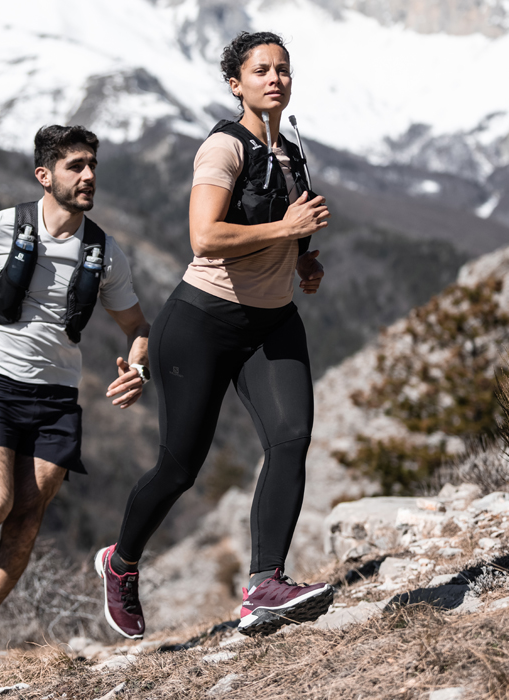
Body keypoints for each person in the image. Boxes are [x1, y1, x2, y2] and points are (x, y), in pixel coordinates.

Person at [95, 31, 334, 639]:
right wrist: (286, 230)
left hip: (272, 319)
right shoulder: (222, 149)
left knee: (291, 438)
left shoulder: (292, 150)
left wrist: (302, 260)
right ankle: (120, 563)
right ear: (237, 84)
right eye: (261, 71)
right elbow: (205, 238)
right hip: (202, 320)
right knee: (180, 467)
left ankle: (264, 584)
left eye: (283, 68)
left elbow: (287, 231)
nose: (275, 78)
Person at [0, 125, 150, 662]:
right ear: (44, 176)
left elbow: (137, 327)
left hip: (58, 400)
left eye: (92, 165)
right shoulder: (4, 227)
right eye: (75, 166)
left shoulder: (104, 253)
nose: (88, 176)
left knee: (25, 522)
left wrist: (137, 369)